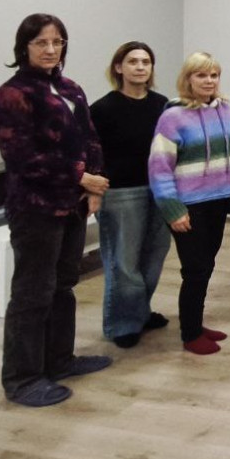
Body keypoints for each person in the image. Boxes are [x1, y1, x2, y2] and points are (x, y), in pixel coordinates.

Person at [0, 14, 112, 407]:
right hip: (35, 208)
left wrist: (94, 182)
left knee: (62, 286)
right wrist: (81, 176)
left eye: (57, 42)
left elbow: (89, 138)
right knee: (31, 294)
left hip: (72, 205)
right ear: (24, 47)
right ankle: (22, 379)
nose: (51, 49)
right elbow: (23, 158)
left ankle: (59, 360)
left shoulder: (69, 88)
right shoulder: (13, 95)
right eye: (41, 42)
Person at [149, 52, 230, 355]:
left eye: (214, 75)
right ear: (188, 79)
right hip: (188, 207)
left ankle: (197, 322)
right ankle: (189, 333)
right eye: (201, 75)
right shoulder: (172, 117)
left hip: (218, 202)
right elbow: (159, 167)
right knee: (195, 269)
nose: (209, 81)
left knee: (206, 266)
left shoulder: (227, 111)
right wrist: (173, 210)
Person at [89, 41, 171, 348]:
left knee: (153, 258)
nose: (140, 67)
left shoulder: (163, 105)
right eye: (133, 61)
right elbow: (89, 152)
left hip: (159, 191)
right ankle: (122, 324)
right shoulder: (101, 109)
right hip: (121, 194)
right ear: (118, 67)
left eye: (146, 62)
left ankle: (140, 312)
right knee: (124, 263)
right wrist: (92, 190)